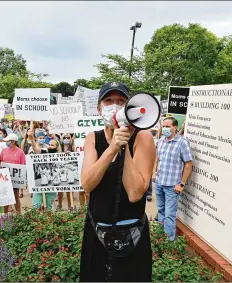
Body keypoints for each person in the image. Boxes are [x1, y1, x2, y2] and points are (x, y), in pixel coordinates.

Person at [79, 82, 156, 281]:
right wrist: (112, 148)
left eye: (121, 101)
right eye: (108, 101)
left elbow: (135, 193)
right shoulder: (93, 139)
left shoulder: (143, 138)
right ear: (99, 108)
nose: (115, 105)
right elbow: (87, 184)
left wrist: (124, 148)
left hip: (131, 236)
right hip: (97, 233)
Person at [154, 116, 192, 241]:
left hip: (172, 186)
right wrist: (154, 173)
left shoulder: (182, 142)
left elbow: (188, 164)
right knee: (160, 211)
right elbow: (157, 158)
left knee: (169, 215)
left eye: (167, 126)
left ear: (175, 128)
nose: (164, 128)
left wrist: (182, 184)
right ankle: (160, 238)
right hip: (160, 182)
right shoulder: (161, 141)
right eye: (163, 126)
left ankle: (168, 243)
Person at [27, 130, 57, 210]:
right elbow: (35, 148)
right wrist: (32, 139)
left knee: (48, 207)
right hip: (40, 182)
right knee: (35, 206)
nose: (50, 146)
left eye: (52, 145)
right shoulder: (46, 151)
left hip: (51, 183)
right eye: (49, 144)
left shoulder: (60, 154)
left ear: (57, 147)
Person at [0, 133, 25, 214]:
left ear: (13, 142)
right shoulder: (4, 150)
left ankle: (19, 214)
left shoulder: (20, 152)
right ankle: (5, 215)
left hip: (15, 178)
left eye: (8, 141)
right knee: (5, 197)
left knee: (16, 196)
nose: (7, 142)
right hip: (5, 177)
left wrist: (24, 180)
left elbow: (23, 166)